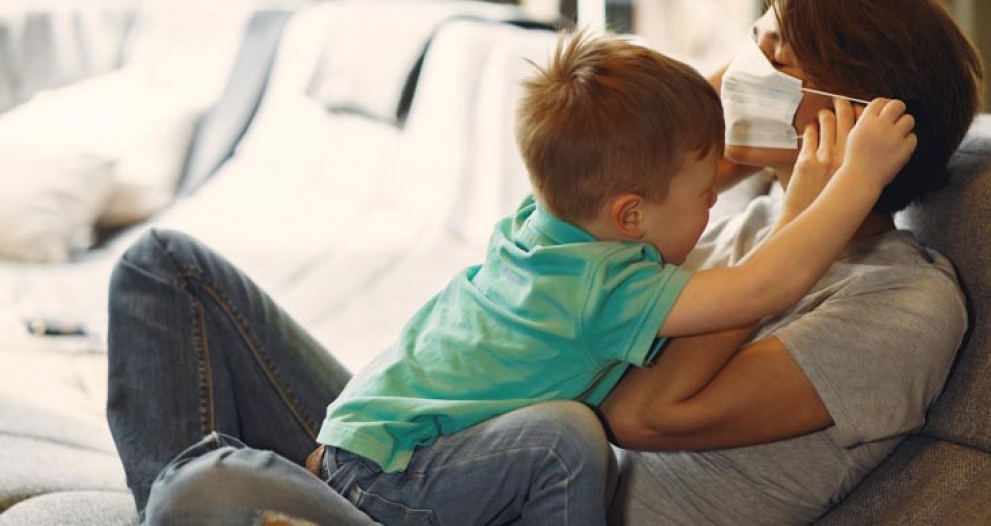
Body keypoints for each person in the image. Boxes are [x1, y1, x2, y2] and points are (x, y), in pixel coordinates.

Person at [107, 27, 915, 525]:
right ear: (632, 213)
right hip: (398, 475)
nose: (715, 203)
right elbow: (767, 282)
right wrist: (838, 184)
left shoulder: (558, 218)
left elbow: (654, 155)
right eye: (706, 196)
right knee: (164, 278)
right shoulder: (613, 283)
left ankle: (218, 504)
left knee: (197, 465)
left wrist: (755, 162)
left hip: (378, 445)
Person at [599, 0, 985, 525]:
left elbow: (641, 414)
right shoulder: (755, 219)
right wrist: (701, 154)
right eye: (750, 44)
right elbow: (572, 278)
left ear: (858, 113)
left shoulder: (905, 303)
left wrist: (804, 218)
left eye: (774, 58)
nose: (739, 75)